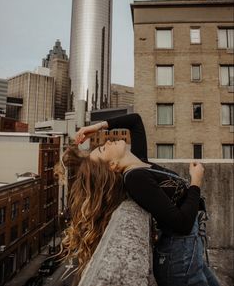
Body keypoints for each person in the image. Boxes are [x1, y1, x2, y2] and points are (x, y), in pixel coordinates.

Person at [59, 113, 220, 286]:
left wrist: (98, 127)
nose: (106, 142)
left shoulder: (138, 162)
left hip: (189, 250)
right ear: (112, 165)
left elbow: (135, 120)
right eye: (103, 149)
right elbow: (182, 224)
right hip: (179, 258)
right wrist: (196, 182)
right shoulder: (135, 179)